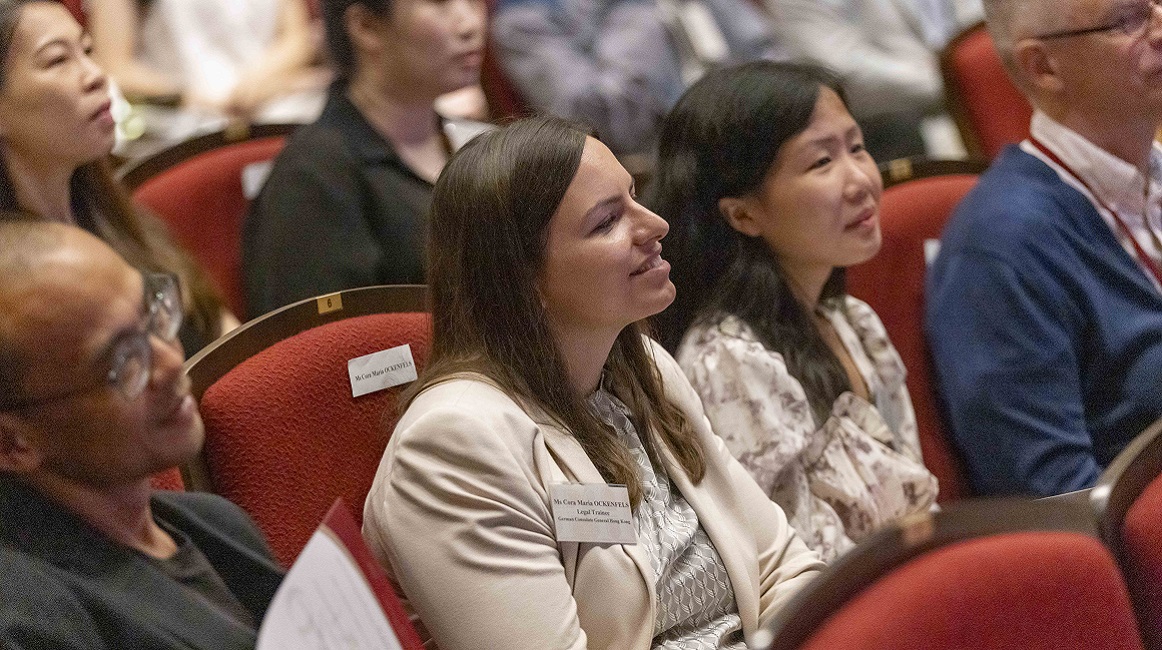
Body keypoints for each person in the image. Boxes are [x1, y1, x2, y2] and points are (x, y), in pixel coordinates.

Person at [362, 116, 824, 649]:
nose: (654, 225)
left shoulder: (642, 368)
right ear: (524, 279)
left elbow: (784, 567)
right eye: (607, 222)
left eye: (635, 196)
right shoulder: (454, 443)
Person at [649, 62, 938, 562]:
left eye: (858, 148)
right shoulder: (730, 362)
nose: (861, 182)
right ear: (743, 214)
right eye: (821, 162)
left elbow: (918, 509)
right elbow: (802, 569)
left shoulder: (853, 320)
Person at [0, 221, 283, 649]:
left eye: (155, 315)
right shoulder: (30, 624)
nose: (170, 363)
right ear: (14, 443)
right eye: (125, 361)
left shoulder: (217, 524)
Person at [926, 0, 1162, 496]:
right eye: (1129, 19)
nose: (1160, 29)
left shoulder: (1152, 172)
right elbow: (1054, 501)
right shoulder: (1000, 250)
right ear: (1044, 66)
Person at [0, 0, 233, 354]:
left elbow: (222, 332)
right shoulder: (14, 290)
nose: (96, 75)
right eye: (58, 60)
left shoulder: (117, 214)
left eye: (88, 50)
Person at [242, 0, 490, 316]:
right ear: (367, 28)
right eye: (440, 3)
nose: (470, 25)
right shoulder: (312, 178)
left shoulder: (481, 144)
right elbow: (324, 351)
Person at [490, 0, 782, 157]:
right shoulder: (523, 20)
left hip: (755, 136)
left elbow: (771, 59)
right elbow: (605, 125)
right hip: (662, 167)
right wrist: (632, 14)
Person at [88, 0, 327, 155]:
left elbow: (295, 36)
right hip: (180, 119)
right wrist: (204, 100)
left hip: (275, 99)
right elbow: (115, 65)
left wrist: (259, 82)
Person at [763, 0, 979, 160]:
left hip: (974, 93)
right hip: (908, 119)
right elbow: (845, 69)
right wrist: (962, 77)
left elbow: (982, 21)